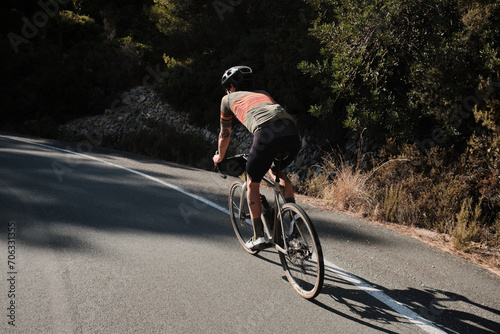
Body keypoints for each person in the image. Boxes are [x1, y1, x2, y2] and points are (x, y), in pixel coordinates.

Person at [213, 66, 301, 250]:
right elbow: (274, 114)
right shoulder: (263, 93)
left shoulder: (227, 99)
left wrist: (219, 157)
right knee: (277, 171)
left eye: (227, 88)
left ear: (231, 86)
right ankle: (295, 216)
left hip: (266, 134)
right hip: (291, 133)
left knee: (252, 182)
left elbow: (224, 134)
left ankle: (258, 236)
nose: (227, 91)